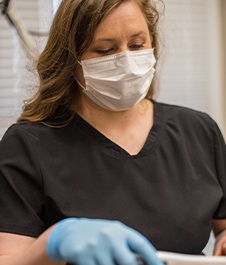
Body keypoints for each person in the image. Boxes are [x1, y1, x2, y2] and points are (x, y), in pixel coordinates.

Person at [0, 0, 226, 264]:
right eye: (105, 50)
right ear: (70, 59)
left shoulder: (198, 130)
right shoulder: (29, 146)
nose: (126, 61)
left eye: (137, 45)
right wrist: (53, 243)